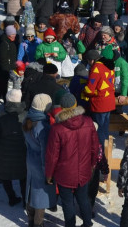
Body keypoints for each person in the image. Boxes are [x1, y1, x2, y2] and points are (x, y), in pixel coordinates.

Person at [45, 93, 100, 227]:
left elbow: (52, 155)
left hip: (65, 173)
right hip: (84, 170)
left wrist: (49, 174)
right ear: (75, 105)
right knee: (83, 199)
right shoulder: (88, 122)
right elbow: (95, 146)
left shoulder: (57, 128)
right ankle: (87, 223)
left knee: (67, 202)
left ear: (62, 108)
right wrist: (92, 164)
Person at [0, 89, 28, 206]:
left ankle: (11, 197)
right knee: (23, 177)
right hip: (22, 152)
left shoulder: (1, 115)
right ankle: (25, 200)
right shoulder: (25, 114)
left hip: (4, 152)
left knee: (5, 176)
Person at [23, 94, 56, 227]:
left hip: (30, 159)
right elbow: (45, 153)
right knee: (40, 195)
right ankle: (38, 223)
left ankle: (30, 220)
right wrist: (48, 173)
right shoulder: (43, 127)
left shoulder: (27, 118)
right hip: (40, 164)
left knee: (30, 190)